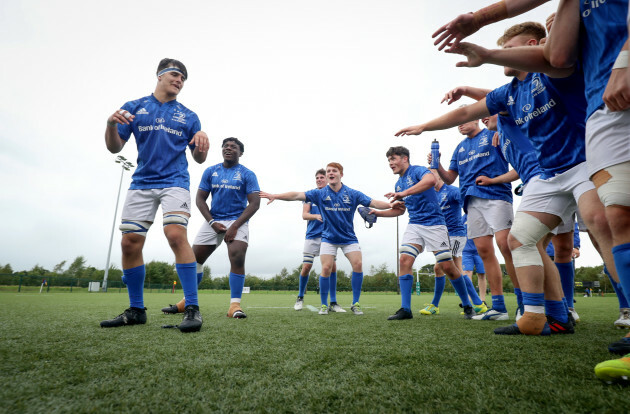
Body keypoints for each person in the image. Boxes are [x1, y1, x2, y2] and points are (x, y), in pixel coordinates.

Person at [100, 58, 209, 333]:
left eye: (183, 78)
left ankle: (193, 308)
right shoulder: (134, 107)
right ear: (159, 76)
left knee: (175, 234)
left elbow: (198, 159)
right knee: (129, 243)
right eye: (175, 74)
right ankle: (136, 310)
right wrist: (111, 124)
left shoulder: (189, 115)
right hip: (142, 183)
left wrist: (203, 143)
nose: (179, 80)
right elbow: (115, 148)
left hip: (175, 182)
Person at [397, 115, 514, 321]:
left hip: (488, 203)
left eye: (465, 119)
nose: (460, 123)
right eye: (457, 122)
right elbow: (451, 176)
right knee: (481, 254)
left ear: (478, 119)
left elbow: (517, 156)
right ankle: (492, 307)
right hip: (471, 204)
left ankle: (517, 304)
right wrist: (438, 163)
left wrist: (494, 180)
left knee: (505, 247)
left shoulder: (494, 134)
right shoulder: (459, 148)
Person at [260, 162, 397, 315]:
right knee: (326, 268)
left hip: (348, 238)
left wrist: (393, 205)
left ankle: (355, 303)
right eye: (328, 171)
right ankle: (324, 305)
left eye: (334, 171)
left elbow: (374, 202)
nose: (330, 173)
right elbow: (296, 195)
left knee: (358, 265)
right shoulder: (319, 193)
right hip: (328, 238)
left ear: (341, 174)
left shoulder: (352, 193)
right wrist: (275, 196)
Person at [165, 137, 260, 320]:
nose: (228, 149)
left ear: (241, 153)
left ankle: (234, 305)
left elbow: (255, 203)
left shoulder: (247, 174)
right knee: (193, 260)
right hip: (214, 220)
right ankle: (187, 301)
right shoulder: (211, 171)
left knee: (237, 255)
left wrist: (235, 226)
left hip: (237, 220)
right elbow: (200, 199)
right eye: (225, 146)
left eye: (233, 147)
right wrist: (211, 222)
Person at [420, 171, 487, 317]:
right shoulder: (432, 194)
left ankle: (477, 303)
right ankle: (476, 304)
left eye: (431, 175)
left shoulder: (452, 191)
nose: (428, 179)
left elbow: (467, 204)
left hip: (456, 235)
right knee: (439, 269)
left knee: (447, 267)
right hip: (442, 236)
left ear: (438, 176)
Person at [294, 169, 343, 312]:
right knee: (306, 267)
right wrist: (315, 216)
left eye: (322, 177)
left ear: (328, 179)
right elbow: (304, 215)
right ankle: (300, 297)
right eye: (317, 178)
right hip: (312, 236)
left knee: (331, 267)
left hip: (328, 236)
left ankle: (333, 302)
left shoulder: (333, 195)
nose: (319, 179)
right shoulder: (311, 196)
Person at [461, 215, 487, 303]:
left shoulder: (481, 215)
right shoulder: (462, 218)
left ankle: (482, 300)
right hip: (466, 251)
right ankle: (469, 301)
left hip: (480, 250)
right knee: (467, 274)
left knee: (482, 274)